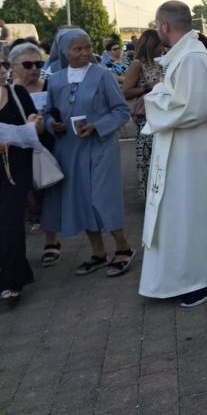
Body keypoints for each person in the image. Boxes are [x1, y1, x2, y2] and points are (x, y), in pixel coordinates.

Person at [139, 1, 207, 308]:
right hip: (181, 152)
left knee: (193, 216)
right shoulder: (184, 55)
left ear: (164, 26)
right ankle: (178, 277)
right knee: (180, 217)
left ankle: (202, 279)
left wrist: (156, 95)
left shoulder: (194, 58)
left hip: (193, 156)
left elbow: (194, 108)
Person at [42, 29, 135, 278]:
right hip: (69, 148)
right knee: (81, 199)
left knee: (102, 197)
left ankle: (124, 247)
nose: (84, 53)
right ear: (64, 52)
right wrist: (53, 124)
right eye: (77, 49)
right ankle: (98, 253)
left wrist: (98, 125)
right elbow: (48, 112)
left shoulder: (102, 75)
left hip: (100, 146)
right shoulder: (56, 79)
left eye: (87, 47)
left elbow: (121, 111)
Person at [0, 64, 49, 301]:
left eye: (1, 66)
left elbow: (38, 126)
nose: (1, 71)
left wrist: (35, 123)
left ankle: (12, 282)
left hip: (16, 169)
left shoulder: (17, 94)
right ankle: (19, 270)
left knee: (10, 222)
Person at [8, 42, 50, 233]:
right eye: (27, 65)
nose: (34, 69)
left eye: (38, 64)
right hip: (15, 159)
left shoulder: (51, 83)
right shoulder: (7, 91)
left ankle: (52, 241)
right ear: (12, 65)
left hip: (43, 153)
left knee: (48, 199)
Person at [122, 30, 164, 202]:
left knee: (159, 157)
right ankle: (150, 196)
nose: (163, 48)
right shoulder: (137, 65)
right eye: (160, 44)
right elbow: (126, 91)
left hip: (160, 117)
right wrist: (149, 87)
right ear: (152, 45)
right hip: (145, 119)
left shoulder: (159, 63)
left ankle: (159, 194)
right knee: (147, 157)